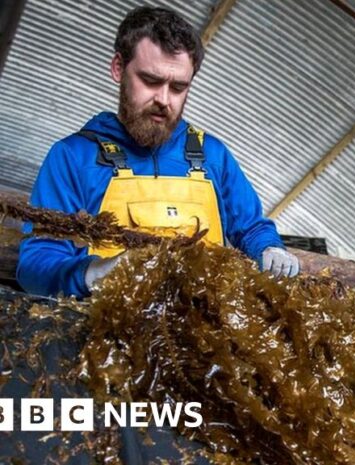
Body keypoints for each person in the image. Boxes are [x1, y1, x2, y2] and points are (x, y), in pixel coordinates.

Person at [16, 6, 299, 298]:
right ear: (118, 68)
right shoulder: (73, 157)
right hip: (106, 333)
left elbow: (251, 228)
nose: (164, 99)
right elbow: (36, 264)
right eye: (151, 81)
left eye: (178, 87)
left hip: (202, 332)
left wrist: (269, 249)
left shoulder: (211, 155)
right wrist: (95, 273)